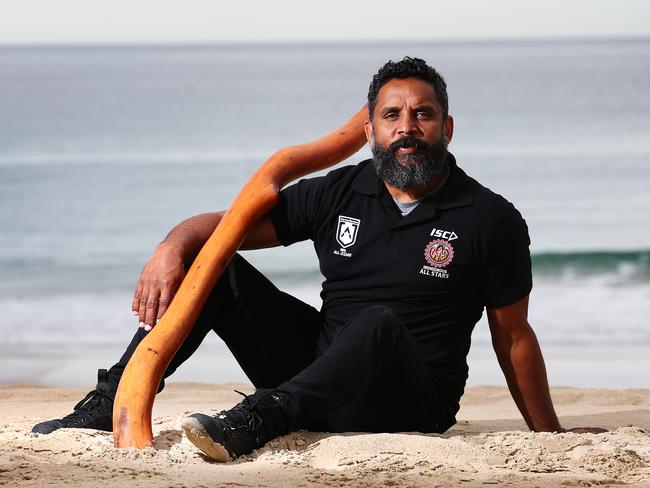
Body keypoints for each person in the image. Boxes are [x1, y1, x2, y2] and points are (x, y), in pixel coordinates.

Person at [32, 57, 601, 461]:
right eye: (392, 115)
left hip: (406, 403)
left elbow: (514, 336)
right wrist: (172, 245)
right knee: (220, 266)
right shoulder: (341, 191)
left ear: (446, 128)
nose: (408, 128)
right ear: (370, 130)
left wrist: (548, 432)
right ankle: (106, 404)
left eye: (423, 115)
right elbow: (229, 227)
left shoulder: (490, 218)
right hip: (316, 382)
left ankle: (259, 418)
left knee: (377, 321)